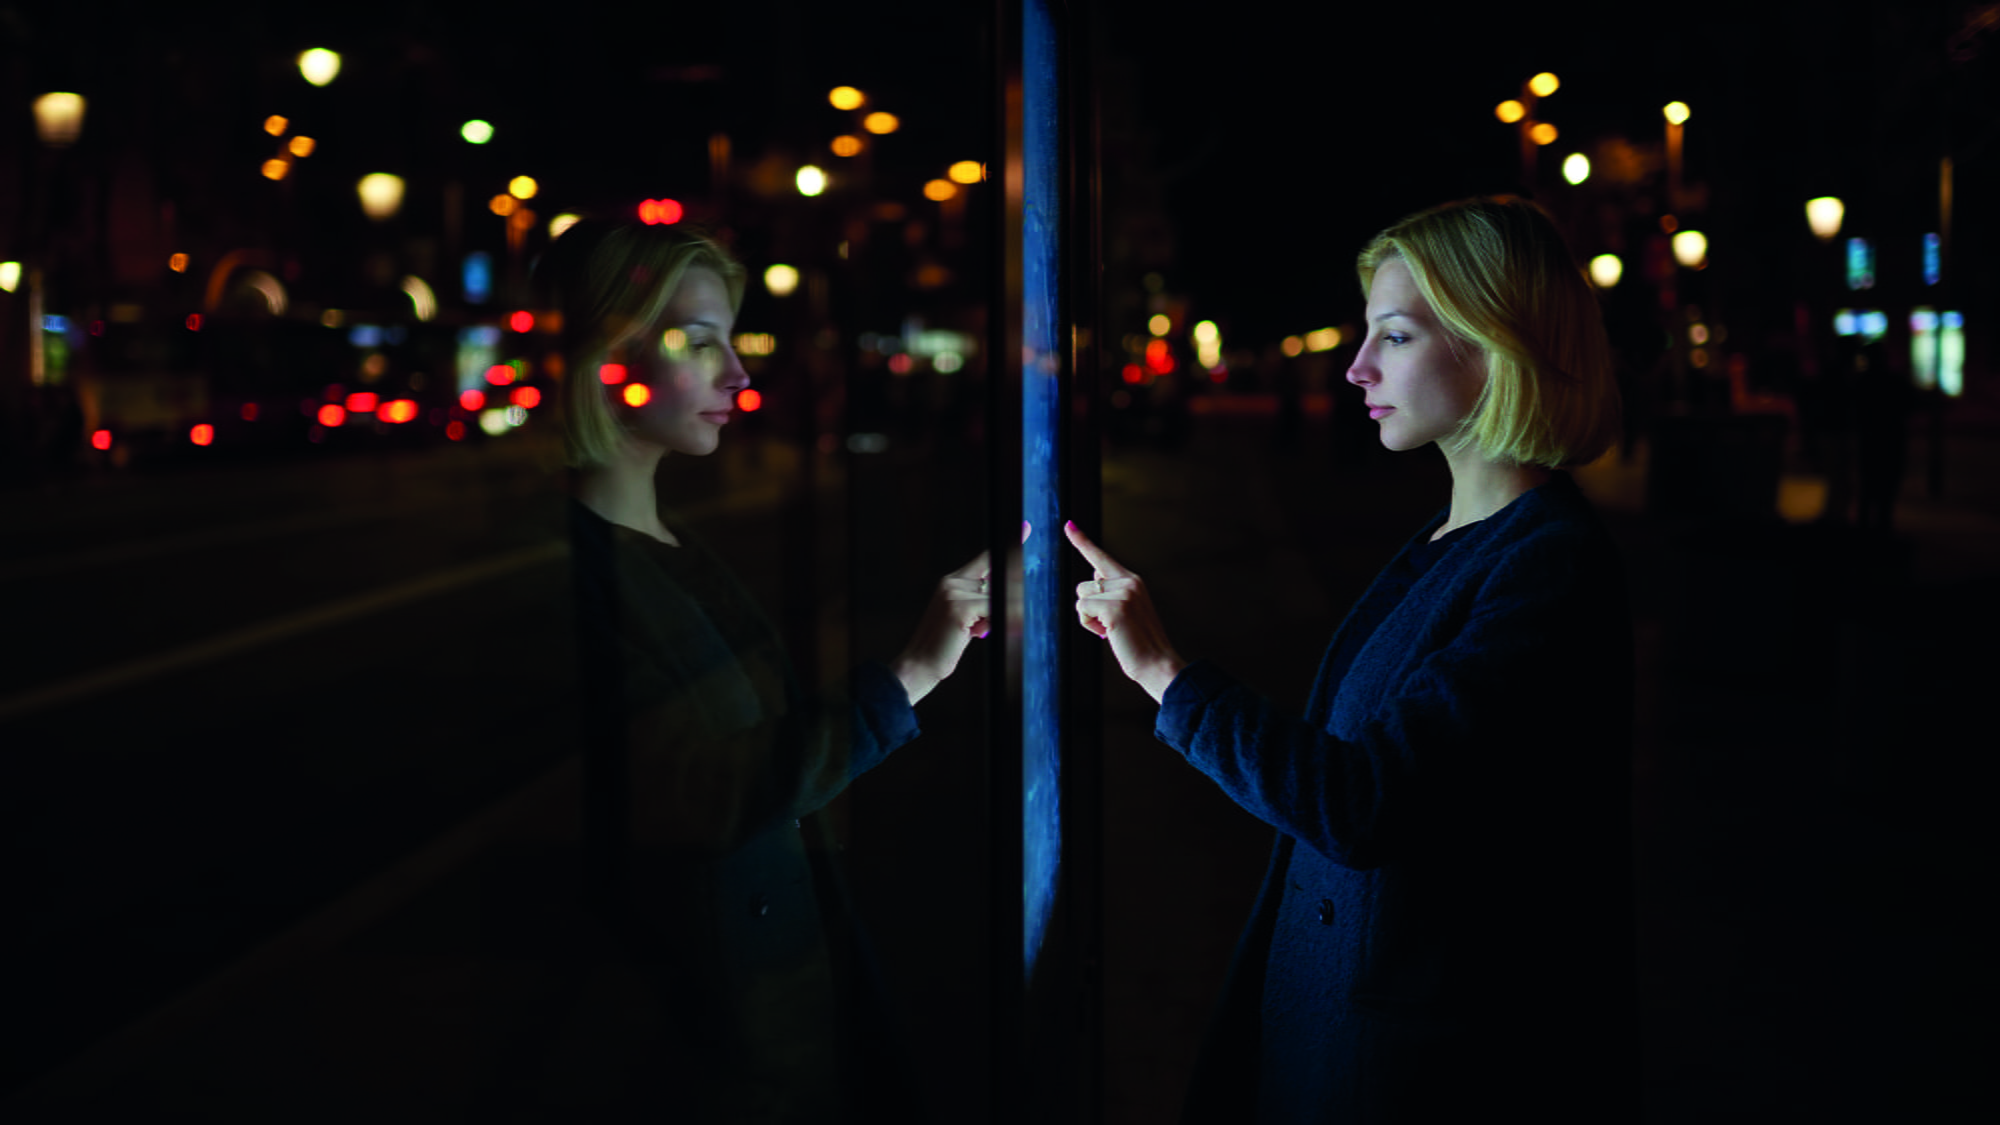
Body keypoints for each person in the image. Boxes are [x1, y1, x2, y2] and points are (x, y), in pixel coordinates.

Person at [1067, 196, 1638, 1122]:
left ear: (1497, 342)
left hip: (1428, 1068)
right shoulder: (1457, 538)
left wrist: (1166, 672)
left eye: (1397, 336)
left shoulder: (1548, 564)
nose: (1357, 365)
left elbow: (1363, 801)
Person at [538, 219, 988, 1122]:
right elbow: (701, 793)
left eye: (731, 342)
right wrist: (908, 674)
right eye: (698, 343)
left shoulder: (671, 548)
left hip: (767, 1010)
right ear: (604, 354)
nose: (738, 376)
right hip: (705, 1049)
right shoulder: (581, 573)